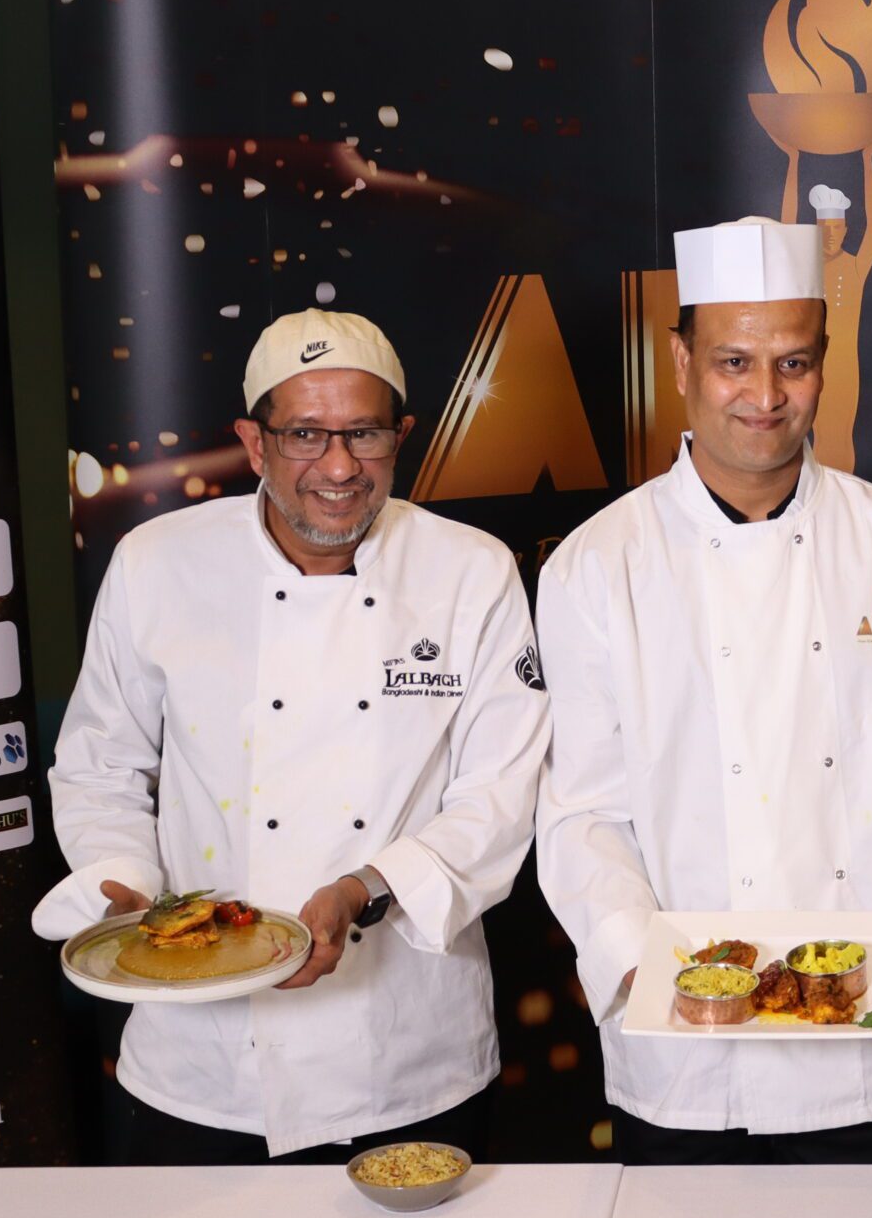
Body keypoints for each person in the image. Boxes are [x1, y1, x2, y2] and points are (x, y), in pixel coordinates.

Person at [536, 217, 872, 1165]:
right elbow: (584, 809)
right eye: (733, 363)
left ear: (825, 363)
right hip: (685, 1053)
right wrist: (636, 959)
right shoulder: (596, 565)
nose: (764, 395)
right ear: (680, 361)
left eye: (793, 363)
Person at [33, 309, 549, 1163]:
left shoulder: (471, 570)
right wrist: (126, 882)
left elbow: (501, 792)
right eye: (305, 434)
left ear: (401, 437)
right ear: (254, 442)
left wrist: (364, 888)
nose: (339, 467)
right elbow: (99, 765)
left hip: (406, 1048)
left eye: (364, 433)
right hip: (201, 1055)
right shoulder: (157, 563)